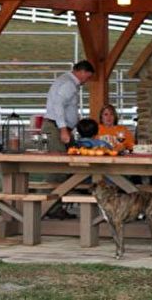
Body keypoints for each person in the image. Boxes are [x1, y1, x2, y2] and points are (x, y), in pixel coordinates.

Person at [42, 60, 94, 219]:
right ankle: (48, 207)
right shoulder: (69, 84)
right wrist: (63, 129)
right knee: (58, 168)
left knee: (68, 166)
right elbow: (58, 106)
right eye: (88, 76)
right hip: (58, 128)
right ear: (83, 72)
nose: (87, 80)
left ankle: (56, 204)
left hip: (61, 127)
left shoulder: (65, 81)